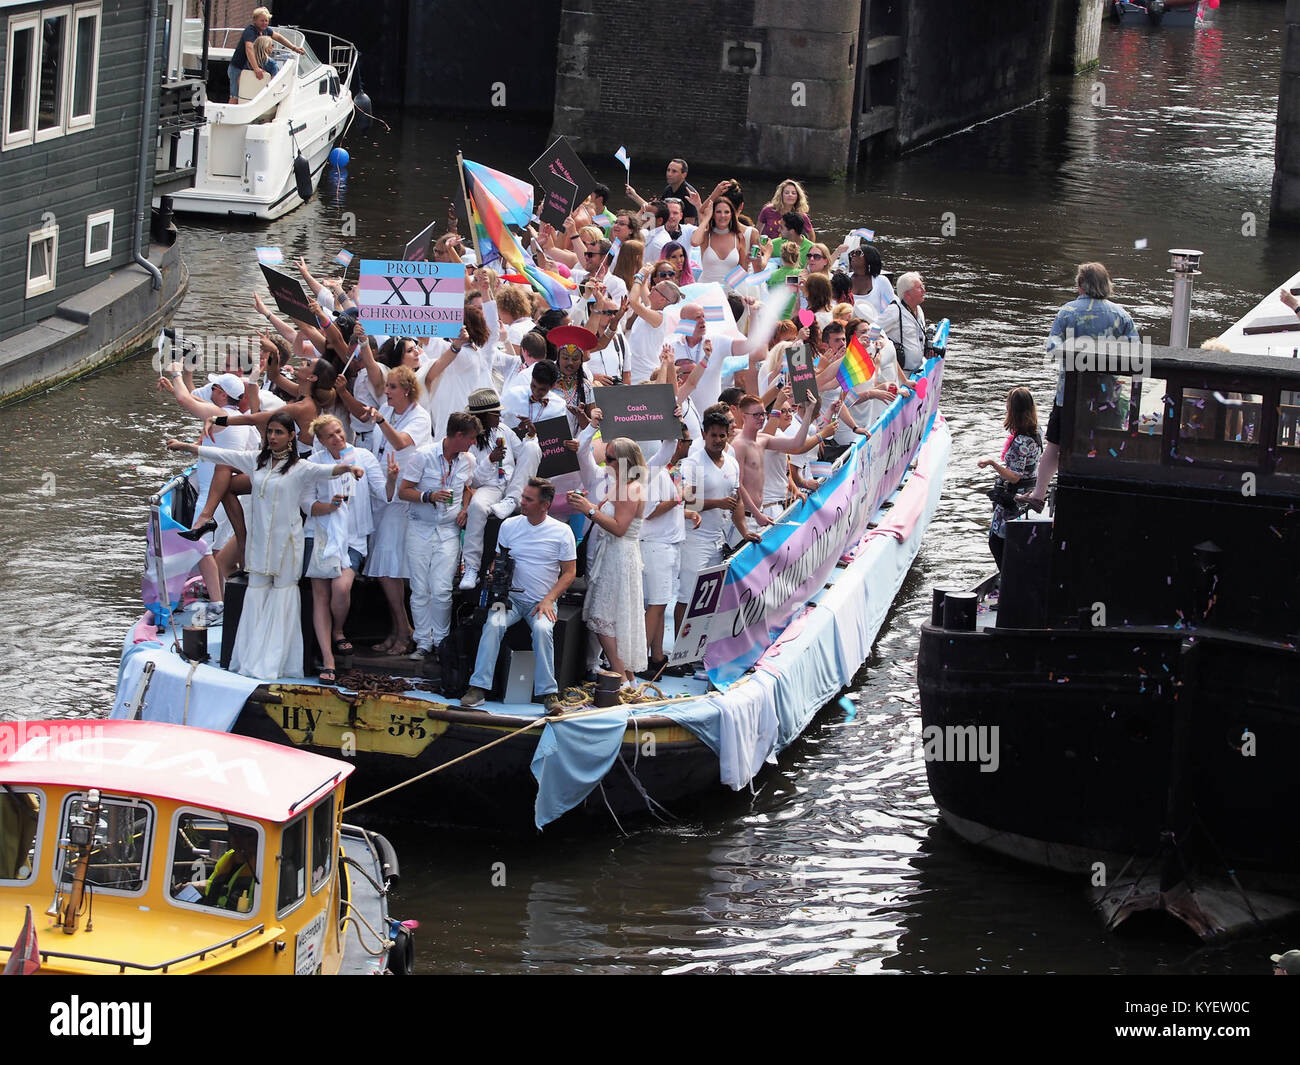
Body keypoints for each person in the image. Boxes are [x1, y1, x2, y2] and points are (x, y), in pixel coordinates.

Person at [166, 411, 364, 680]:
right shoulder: (256, 462)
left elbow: (328, 470)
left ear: (291, 436)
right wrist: (187, 447)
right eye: (269, 432)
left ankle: (277, 662)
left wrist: (350, 468)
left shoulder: (300, 468)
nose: (272, 437)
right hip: (260, 543)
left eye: (279, 432)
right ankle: (249, 657)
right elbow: (222, 456)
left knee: (282, 597)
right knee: (257, 594)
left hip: (287, 545)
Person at [1019, 262, 1137, 512]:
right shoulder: (1121, 315)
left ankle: (1039, 494)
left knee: (1055, 443)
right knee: (1107, 442)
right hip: (1107, 395)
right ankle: (1103, 492)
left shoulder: (1067, 312)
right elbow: (1134, 354)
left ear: (1081, 284)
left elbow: (1052, 348)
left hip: (1069, 394)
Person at [461, 478, 577, 713]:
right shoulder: (509, 525)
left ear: (545, 505)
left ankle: (549, 694)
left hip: (542, 601)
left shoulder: (562, 532)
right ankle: (478, 688)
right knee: (493, 624)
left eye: (528, 499)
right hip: (510, 599)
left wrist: (549, 599)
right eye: (523, 497)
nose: (521, 502)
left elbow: (569, 573)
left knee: (543, 630)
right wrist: (495, 575)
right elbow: (497, 561)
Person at [303, 415, 385, 683]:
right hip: (321, 535)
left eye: (339, 432)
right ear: (321, 440)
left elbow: (383, 493)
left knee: (340, 587)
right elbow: (306, 503)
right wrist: (330, 507)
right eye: (330, 436)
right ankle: (328, 658)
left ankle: (338, 630)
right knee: (321, 594)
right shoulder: (313, 463)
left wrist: (394, 479)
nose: (337, 438)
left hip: (353, 539)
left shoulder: (363, 456)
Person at [398, 411, 480, 660]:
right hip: (420, 527)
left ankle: (442, 641)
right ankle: (423, 641)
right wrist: (428, 496)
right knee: (420, 588)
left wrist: (466, 508)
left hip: (448, 529)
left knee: (442, 588)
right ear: (458, 435)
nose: (474, 443)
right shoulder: (423, 456)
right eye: (472, 438)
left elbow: (468, 488)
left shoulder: (468, 459)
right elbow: (404, 491)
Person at [567, 438, 648, 686]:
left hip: (618, 556)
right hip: (617, 554)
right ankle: (629, 678)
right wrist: (591, 506)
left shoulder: (629, 488)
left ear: (623, 462)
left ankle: (621, 677)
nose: (606, 462)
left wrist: (589, 510)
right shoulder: (624, 485)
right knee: (616, 617)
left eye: (610, 458)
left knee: (604, 618)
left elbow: (619, 528)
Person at [365, 365, 432, 655]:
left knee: (388, 567)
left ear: (406, 390)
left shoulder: (420, 417)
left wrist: (380, 420)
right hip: (383, 493)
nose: (386, 391)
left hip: (403, 498)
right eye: (387, 386)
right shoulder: (386, 409)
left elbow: (400, 442)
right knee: (385, 569)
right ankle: (398, 629)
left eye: (392, 387)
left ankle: (404, 630)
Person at [675, 408, 758, 639]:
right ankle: (679, 652)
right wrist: (717, 503)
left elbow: (736, 502)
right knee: (687, 596)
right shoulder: (691, 463)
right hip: (694, 539)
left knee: (709, 598)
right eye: (713, 435)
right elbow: (687, 502)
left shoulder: (732, 463)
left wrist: (744, 532)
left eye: (722, 436)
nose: (718, 440)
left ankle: (699, 648)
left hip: (718, 540)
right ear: (704, 434)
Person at [732, 393, 821, 526]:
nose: (761, 418)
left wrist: (808, 411)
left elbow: (797, 444)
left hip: (760, 513)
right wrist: (757, 514)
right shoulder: (739, 445)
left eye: (762, 414)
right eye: (756, 415)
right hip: (748, 517)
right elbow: (738, 485)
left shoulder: (763, 439)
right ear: (744, 416)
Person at [979, 387, 1042, 568]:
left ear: (1013, 410)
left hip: (1014, 497)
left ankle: (1006, 581)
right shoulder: (1037, 432)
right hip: (1028, 493)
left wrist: (992, 463)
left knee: (997, 541)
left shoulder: (1020, 442)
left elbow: (1014, 477)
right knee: (1013, 541)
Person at [227, 6, 303, 103]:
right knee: (236, 96)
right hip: (238, 68)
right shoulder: (250, 31)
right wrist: (256, 69)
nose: (265, 23)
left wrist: (294, 48)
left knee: (249, 95)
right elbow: (249, 49)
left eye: (266, 21)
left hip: (249, 67)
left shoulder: (266, 30)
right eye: (262, 21)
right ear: (255, 20)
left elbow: (278, 37)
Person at [692, 194, 760, 285]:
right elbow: (694, 242)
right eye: (718, 212)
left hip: (729, 291)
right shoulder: (706, 235)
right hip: (706, 291)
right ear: (713, 214)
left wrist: (747, 261)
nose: (723, 215)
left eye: (727, 212)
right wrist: (706, 218)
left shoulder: (739, 237)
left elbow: (742, 273)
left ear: (731, 214)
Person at [197, 824, 259, 911]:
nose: (238, 839)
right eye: (233, 833)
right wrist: (189, 885)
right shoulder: (227, 858)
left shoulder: (262, 866)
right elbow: (210, 886)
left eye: (247, 835)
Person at [882, 272, 929, 374]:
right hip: (900, 375)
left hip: (917, 371)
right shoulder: (894, 311)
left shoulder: (919, 310)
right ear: (907, 293)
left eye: (923, 286)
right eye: (919, 288)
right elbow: (874, 330)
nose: (924, 291)